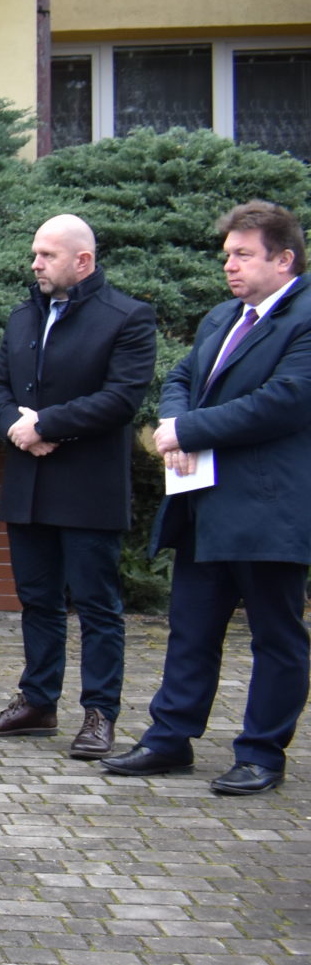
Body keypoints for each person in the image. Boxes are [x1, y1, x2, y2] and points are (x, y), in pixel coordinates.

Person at [103, 201, 311, 796]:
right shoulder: (223, 316)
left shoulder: (304, 318)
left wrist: (189, 431)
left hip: (269, 508)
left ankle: (261, 754)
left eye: (243, 255)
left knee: (276, 636)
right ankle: (170, 738)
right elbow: (181, 378)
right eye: (227, 256)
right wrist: (174, 423)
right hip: (204, 503)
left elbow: (286, 400)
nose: (230, 266)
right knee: (191, 628)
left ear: (284, 259)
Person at [0, 215, 158, 759]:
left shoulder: (127, 317)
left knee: (97, 605)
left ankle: (100, 714)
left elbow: (121, 398)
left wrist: (46, 425)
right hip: (28, 481)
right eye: (35, 253)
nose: (35, 264)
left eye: (47, 255)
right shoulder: (23, 315)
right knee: (37, 600)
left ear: (83, 261)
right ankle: (37, 702)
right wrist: (16, 427)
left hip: (88, 485)